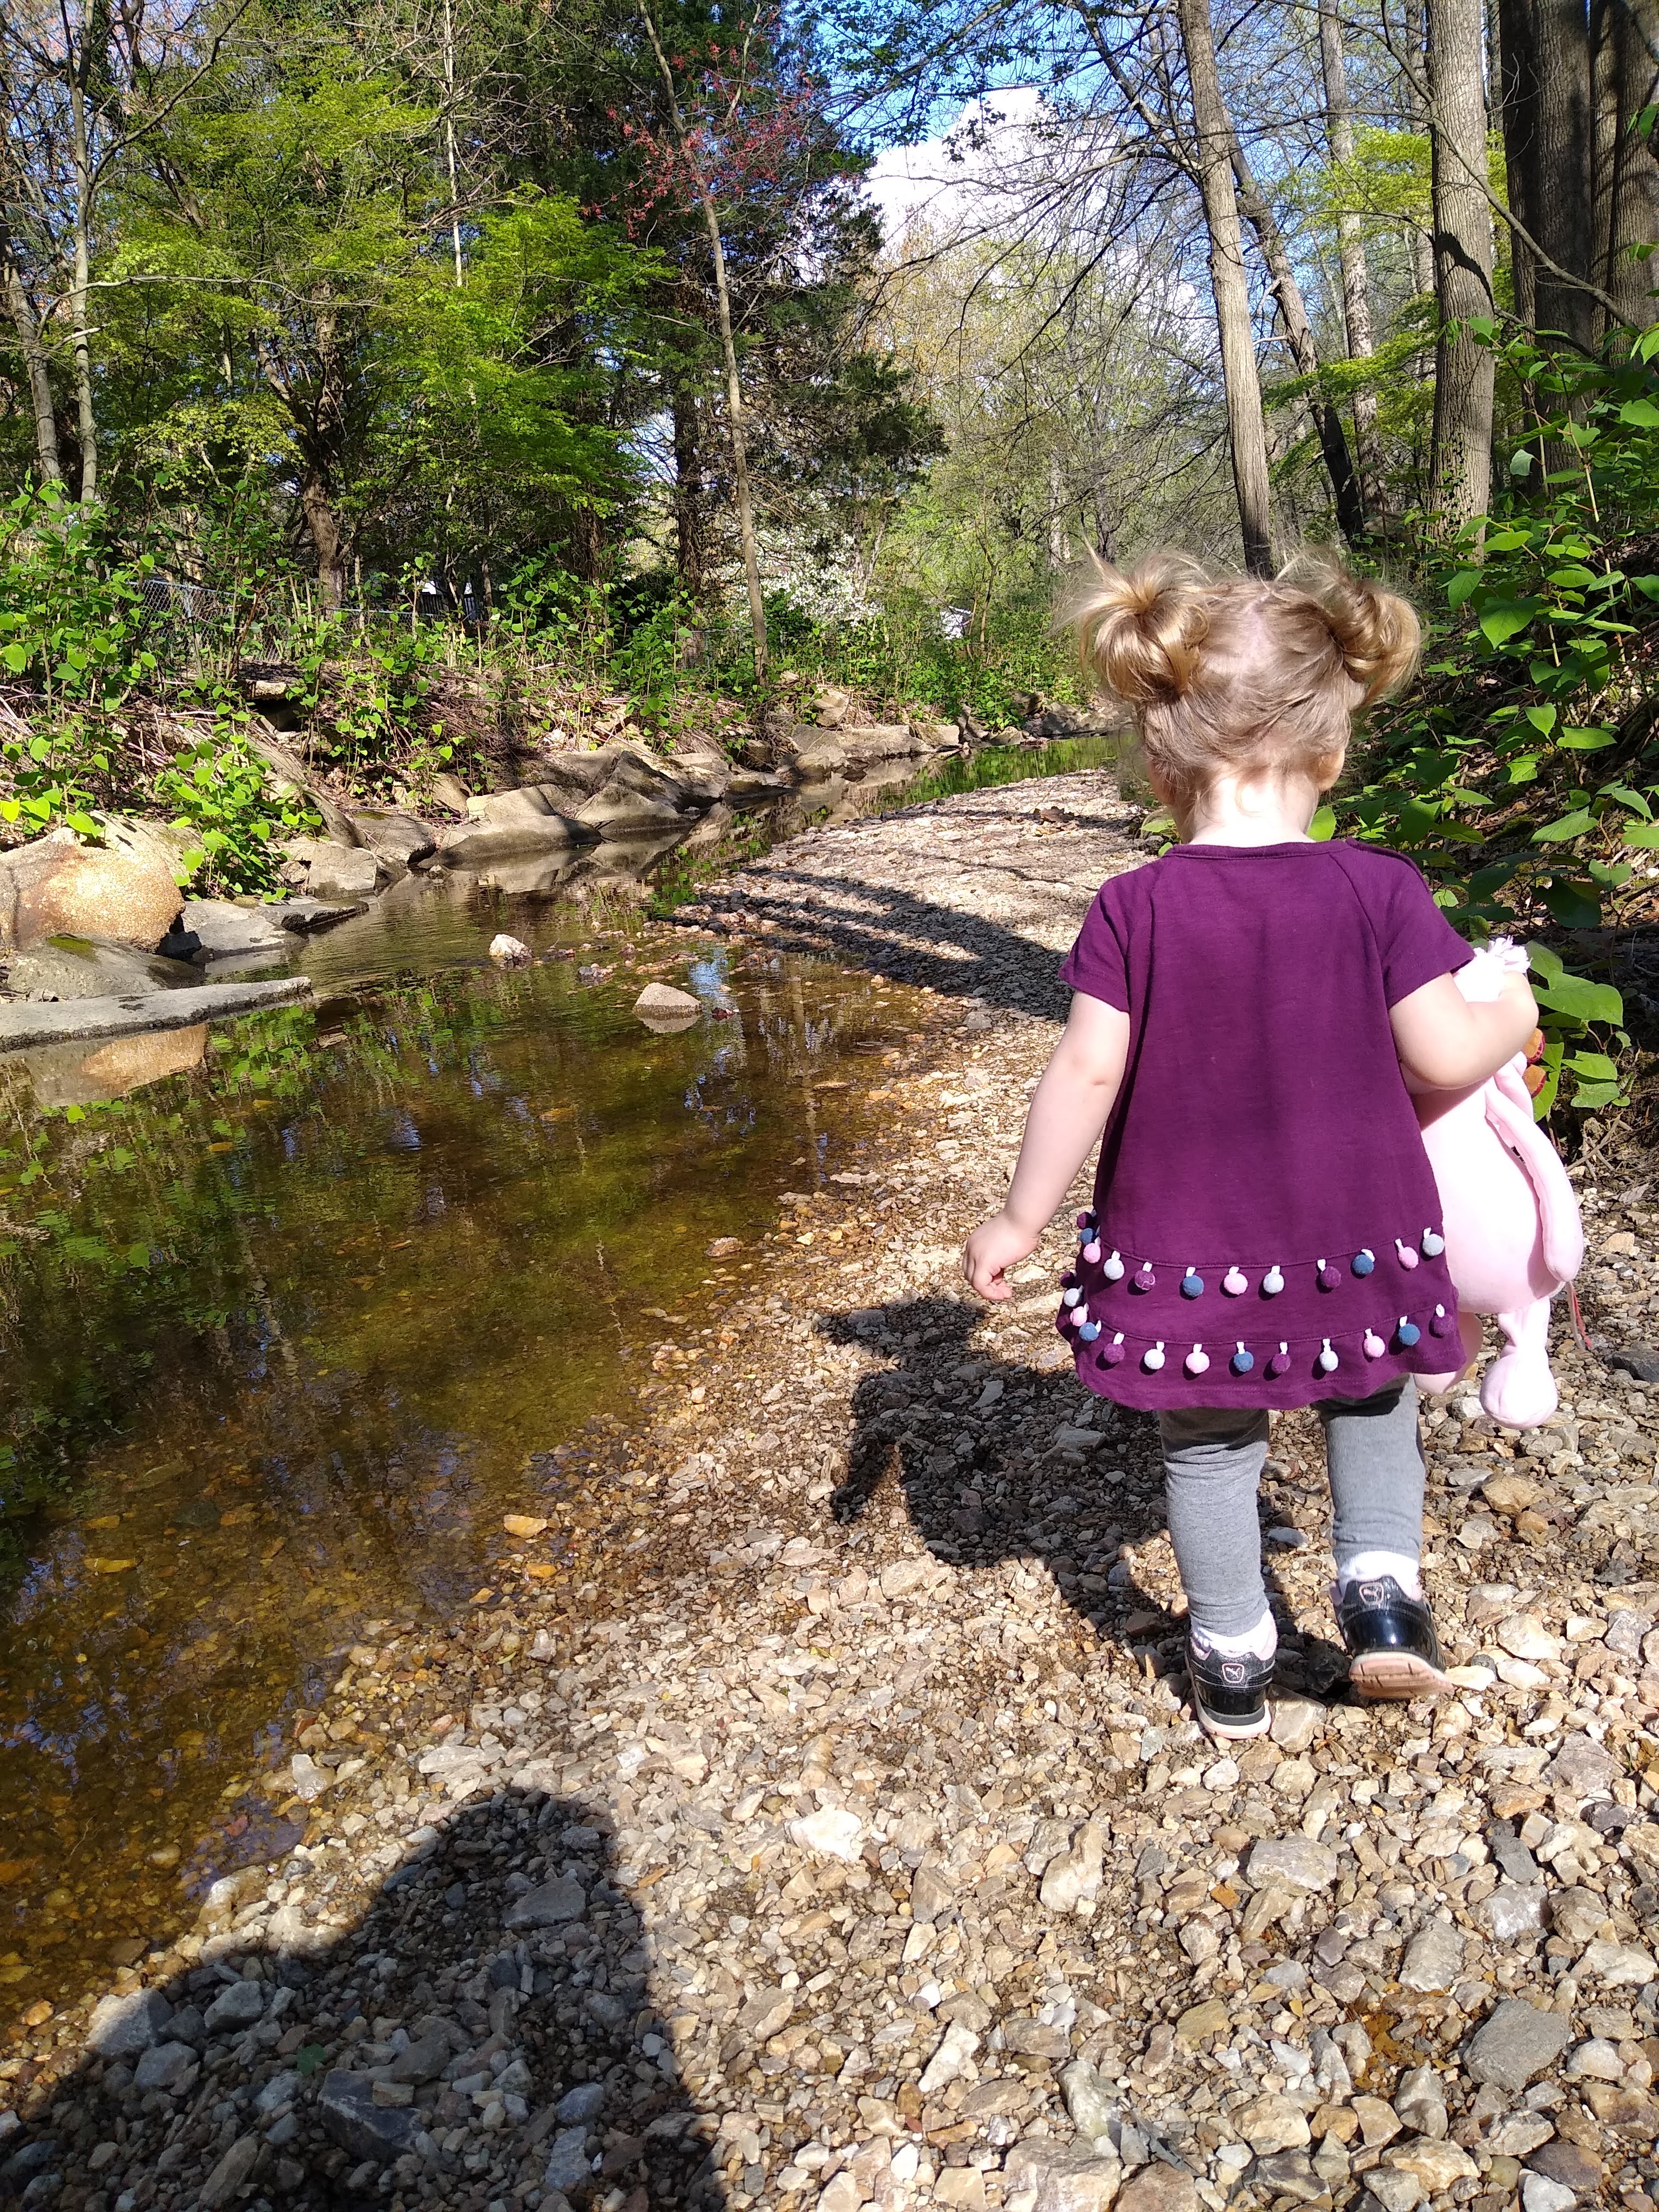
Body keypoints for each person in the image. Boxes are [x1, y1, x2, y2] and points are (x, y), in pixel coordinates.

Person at [962, 552, 1539, 1739]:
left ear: (1165, 763)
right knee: (1372, 1402)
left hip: (1189, 1247)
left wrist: (1019, 1217)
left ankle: (1231, 1655)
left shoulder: (1136, 905)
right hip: (1351, 1231)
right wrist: (1517, 1013)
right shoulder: (1379, 889)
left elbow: (1084, 1068)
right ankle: (1383, 1606)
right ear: (1330, 752)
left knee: (1210, 1441)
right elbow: (1441, 1052)